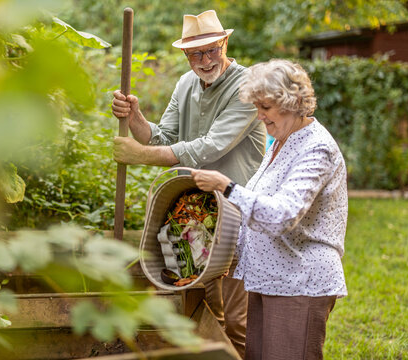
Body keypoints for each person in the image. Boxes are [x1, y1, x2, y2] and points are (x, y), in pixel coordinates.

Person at [111, 10, 266, 358]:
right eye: (196, 53)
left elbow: (206, 148)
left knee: (237, 320)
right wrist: (135, 117)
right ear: (185, 55)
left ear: (224, 43)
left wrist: (137, 156)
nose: (206, 59)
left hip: (239, 214)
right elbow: (161, 137)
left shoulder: (246, 88)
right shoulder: (185, 84)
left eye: (212, 49)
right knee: (202, 307)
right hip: (195, 214)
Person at [190, 59, 348, 360]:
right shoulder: (280, 142)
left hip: (300, 280)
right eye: (257, 106)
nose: (259, 115)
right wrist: (228, 250)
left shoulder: (316, 147)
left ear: (294, 102)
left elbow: (282, 216)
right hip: (270, 277)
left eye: (265, 107)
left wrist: (227, 187)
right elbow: (258, 208)